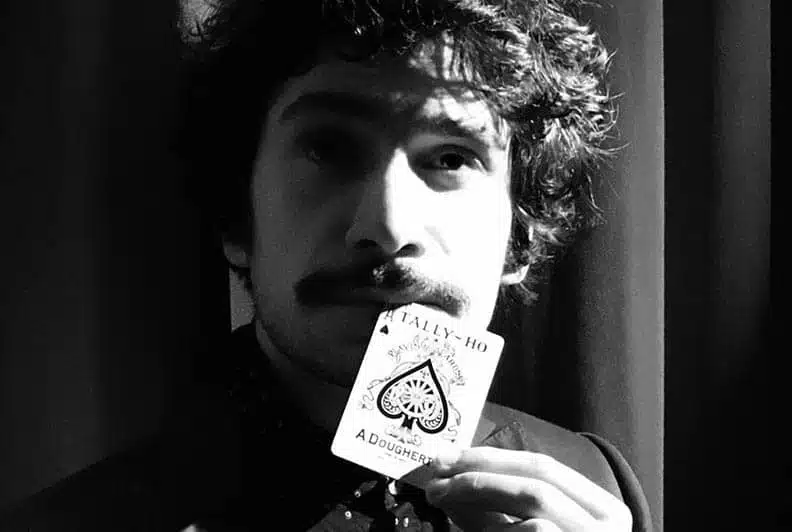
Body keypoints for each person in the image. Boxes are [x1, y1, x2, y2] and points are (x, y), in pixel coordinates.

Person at [168, 0, 654, 530]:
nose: (389, 228)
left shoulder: (598, 481)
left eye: (452, 158)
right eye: (328, 149)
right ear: (238, 221)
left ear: (518, 239)